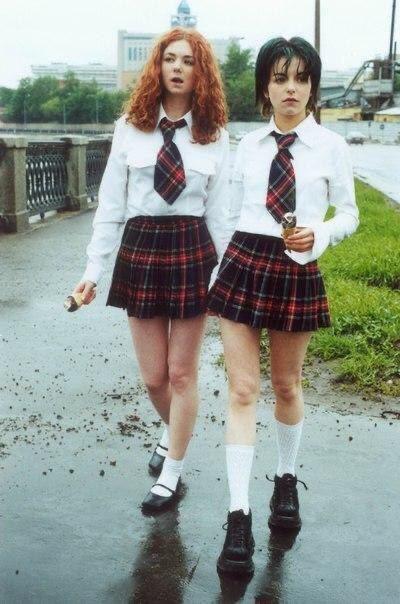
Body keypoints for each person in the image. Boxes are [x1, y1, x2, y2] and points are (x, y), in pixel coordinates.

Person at [208, 36, 359, 576]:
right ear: (264, 88)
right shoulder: (247, 146)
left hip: (297, 264)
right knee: (242, 390)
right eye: (279, 78)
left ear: (312, 86)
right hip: (244, 263)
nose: (290, 88)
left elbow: (350, 214)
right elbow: (227, 216)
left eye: (300, 78)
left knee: (288, 385)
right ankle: (238, 515)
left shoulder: (331, 147)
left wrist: (320, 233)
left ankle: (286, 479)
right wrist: (219, 273)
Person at [72, 27, 230, 513]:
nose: (178, 68)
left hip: (191, 251)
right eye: (170, 59)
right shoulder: (130, 127)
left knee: (182, 374)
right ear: (157, 67)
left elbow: (220, 215)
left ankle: (172, 472)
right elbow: (110, 206)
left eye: (189, 61)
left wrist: (223, 277)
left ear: (201, 73)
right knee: (154, 377)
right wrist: (93, 271)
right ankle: (173, 428)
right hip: (140, 250)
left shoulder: (215, 134)